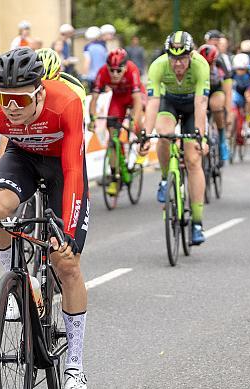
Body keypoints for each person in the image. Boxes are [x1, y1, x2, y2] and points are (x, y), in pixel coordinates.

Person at [0, 48, 90, 389]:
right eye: (5, 98)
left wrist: (70, 234)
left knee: (67, 263)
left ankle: (74, 366)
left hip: (62, 166)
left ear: (40, 92)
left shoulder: (66, 102)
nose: (11, 107)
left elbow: (74, 170)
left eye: (21, 99)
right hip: (22, 159)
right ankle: (18, 280)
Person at [141, 31, 210, 245]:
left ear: (191, 55)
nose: (178, 63)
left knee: (193, 159)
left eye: (182, 58)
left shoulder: (201, 66)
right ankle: (164, 178)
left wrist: (202, 138)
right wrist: (145, 134)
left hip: (192, 108)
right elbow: (152, 103)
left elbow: (201, 104)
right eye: (174, 58)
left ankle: (197, 223)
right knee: (163, 134)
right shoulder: (158, 66)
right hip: (168, 103)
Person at [88, 48, 144, 195]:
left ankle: (142, 145)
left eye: (119, 71)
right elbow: (94, 99)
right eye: (111, 70)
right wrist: (92, 119)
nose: (114, 74)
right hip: (118, 100)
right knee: (112, 137)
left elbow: (137, 101)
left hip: (134, 97)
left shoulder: (132, 70)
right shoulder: (102, 72)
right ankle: (115, 177)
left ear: (125, 67)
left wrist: (133, 121)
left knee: (137, 124)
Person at [198, 43, 232, 164]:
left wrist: (228, 112)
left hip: (216, 90)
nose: (208, 66)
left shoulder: (221, 65)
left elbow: (228, 91)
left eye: (210, 63)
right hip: (201, 92)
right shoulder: (194, 65)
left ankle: (222, 138)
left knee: (216, 105)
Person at [83, 26, 108, 90]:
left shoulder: (88, 47)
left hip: (92, 77)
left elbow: (87, 61)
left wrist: (84, 75)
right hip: (103, 76)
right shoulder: (103, 46)